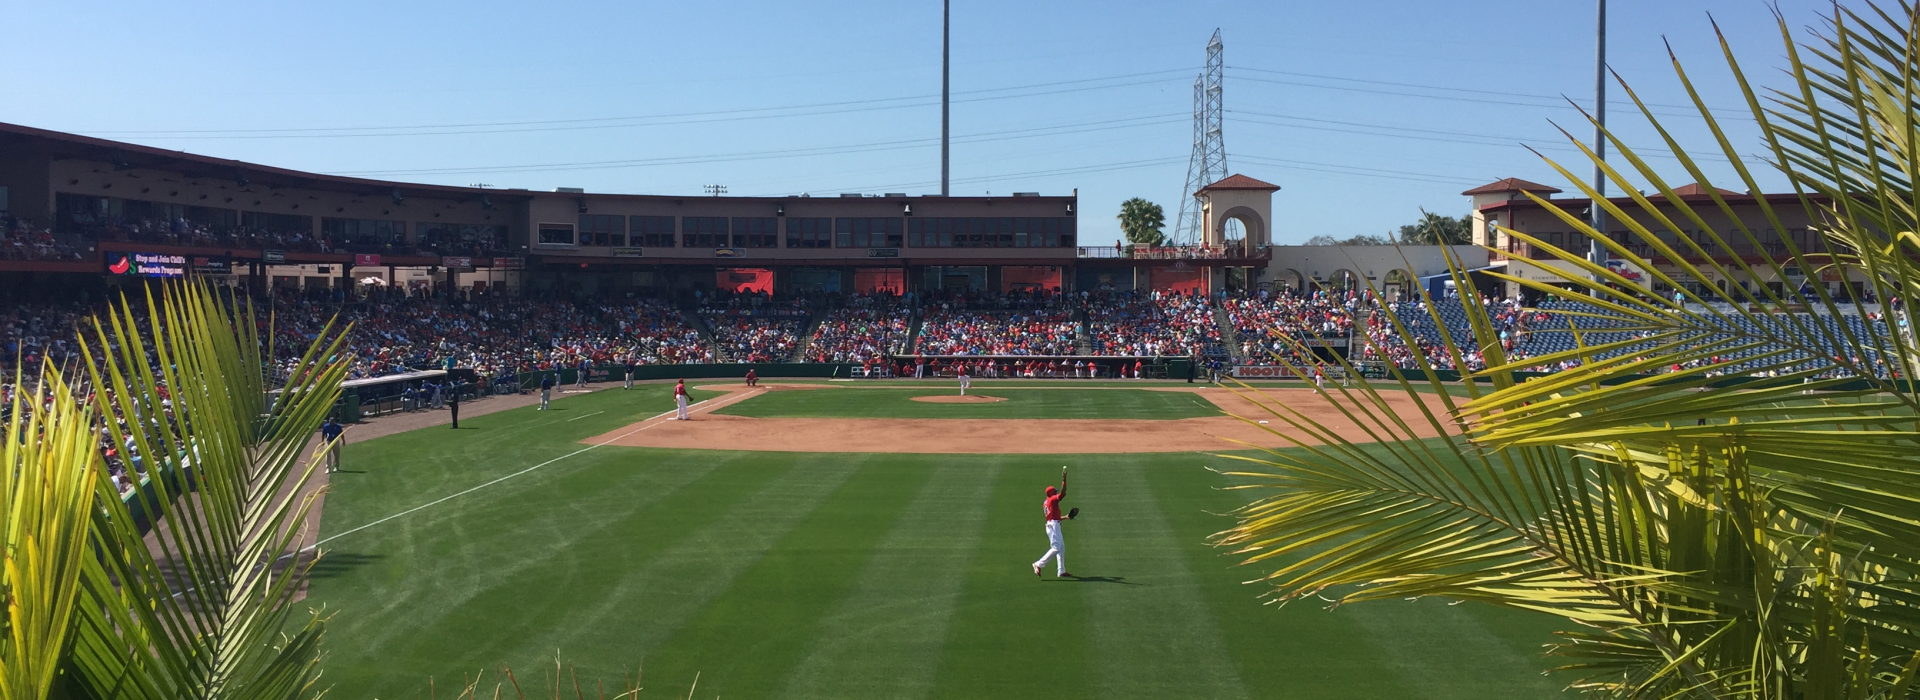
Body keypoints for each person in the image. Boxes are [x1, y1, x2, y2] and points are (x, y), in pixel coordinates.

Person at [1032, 467, 1071, 578]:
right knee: (1056, 547)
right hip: (1053, 526)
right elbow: (1063, 493)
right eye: (1055, 493)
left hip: (1053, 524)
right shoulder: (1052, 500)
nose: (1056, 494)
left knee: (1061, 547)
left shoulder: (1046, 502)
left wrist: (1065, 517)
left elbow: (1054, 517)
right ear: (1052, 494)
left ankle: (1061, 570)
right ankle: (1038, 564)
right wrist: (1064, 479)